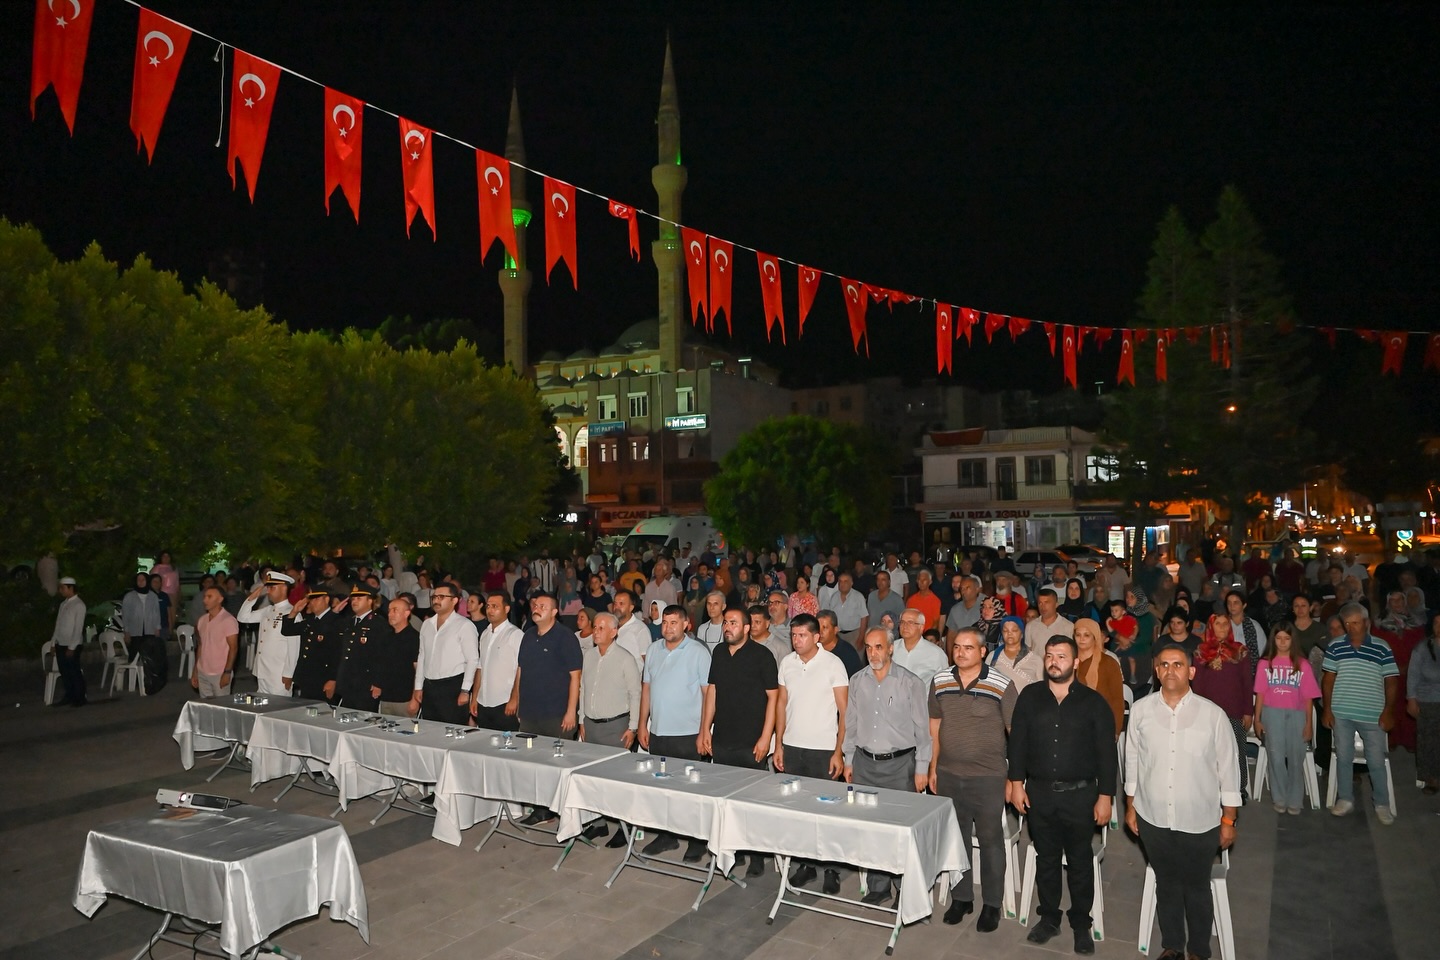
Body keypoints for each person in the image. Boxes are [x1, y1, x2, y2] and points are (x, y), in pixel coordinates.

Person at [1124, 643, 1241, 960]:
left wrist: (1228, 819)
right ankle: (1173, 946)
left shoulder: (1212, 715)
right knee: (1167, 883)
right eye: (1164, 664)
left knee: (1197, 887)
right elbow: (1133, 760)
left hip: (1200, 820)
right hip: (1153, 816)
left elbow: (1229, 770)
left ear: (1190, 671)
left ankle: (1199, 950)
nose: (1170, 670)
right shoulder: (1140, 711)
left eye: (1177, 664)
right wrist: (1131, 805)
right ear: (1156, 670)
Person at [1006, 635, 1116, 954]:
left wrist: (1106, 796)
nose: (1055, 662)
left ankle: (1081, 923)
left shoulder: (1093, 703)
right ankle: (1049, 918)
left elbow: (1107, 755)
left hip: (1080, 796)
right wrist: (1015, 782)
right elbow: (1019, 743)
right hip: (1040, 793)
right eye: (1050, 656)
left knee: (1081, 862)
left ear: (1076, 662)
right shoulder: (1030, 696)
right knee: (1047, 859)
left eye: (1062, 656)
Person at [928, 626, 1017, 931]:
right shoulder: (940, 680)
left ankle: (992, 904)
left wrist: (1013, 778)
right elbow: (935, 725)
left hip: (989, 776)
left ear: (982, 651)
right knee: (956, 838)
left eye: (969, 648)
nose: (961, 652)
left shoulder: (1001, 683)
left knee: (991, 841)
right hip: (949, 774)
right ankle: (962, 898)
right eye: (957, 647)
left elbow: (1014, 733)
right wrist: (932, 767)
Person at [843, 627, 931, 905]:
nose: (873, 653)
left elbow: (923, 730)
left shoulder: (910, 683)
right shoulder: (857, 681)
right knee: (871, 829)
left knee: (900, 828)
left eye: (878, 647)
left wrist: (922, 768)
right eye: (868, 647)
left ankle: (903, 888)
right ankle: (878, 886)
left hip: (900, 766)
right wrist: (848, 760)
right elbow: (851, 724)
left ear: (891, 648)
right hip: (865, 764)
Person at [700, 605, 779, 877]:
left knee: (752, 801)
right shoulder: (719, 653)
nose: (727, 627)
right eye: (725, 623)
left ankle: (757, 856)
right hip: (723, 738)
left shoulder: (762, 656)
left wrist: (766, 736)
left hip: (751, 740)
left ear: (747, 628)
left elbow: (773, 697)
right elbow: (712, 691)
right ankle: (733, 851)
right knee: (727, 799)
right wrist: (704, 730)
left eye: (733, 622)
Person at [774, 613, 850, 895]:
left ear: (817, 636)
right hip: (794, 746)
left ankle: (831, 868)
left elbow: (845, 711)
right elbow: (782, 704)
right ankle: (806, 864)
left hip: (823, 749)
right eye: (794, 635)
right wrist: (779, 743)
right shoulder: (787, 663)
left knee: (827, 809)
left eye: (802, 635)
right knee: (801, 809)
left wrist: (839, 751)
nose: (797, 640)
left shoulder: (833, 664)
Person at [637, 604, 713, 860]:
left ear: (686, 625)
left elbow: (707, 694)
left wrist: (704, 731)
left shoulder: (698, 652)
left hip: (688, 733)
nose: (668, 627)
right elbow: (646, 689)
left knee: (691, 789)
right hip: (659, 731)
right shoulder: (653, 650)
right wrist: (642, 724)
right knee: (663, 787)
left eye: (673, 623)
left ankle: (697, 840)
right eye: (665, 622)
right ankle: (667, 836)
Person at [1322, 602, 1400, 823]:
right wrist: (1327, 709)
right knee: (1343, 757)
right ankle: (1345, 798)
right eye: (1347, 623)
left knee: (1376, 760)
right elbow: (1328, 679)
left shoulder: (1381, 647)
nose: (1351, 627)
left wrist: (1389, 711)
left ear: (1366, 622)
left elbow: (1391, 681)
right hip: (1342, 713)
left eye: (1355, 622)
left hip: (1372, 714)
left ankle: (1382, 803)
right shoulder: (1336, 646)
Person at [1252, 621, 1321, 815]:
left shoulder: (1302, 664)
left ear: (1293, 640)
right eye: (1279, 638)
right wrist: (1258, 719)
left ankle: (1295, 799)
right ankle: (1279, 797)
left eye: (1287, 638)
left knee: (1296, 757)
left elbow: (1308, 697)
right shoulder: (1265, 663)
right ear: (1273, 640)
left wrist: (1309, 723)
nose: (1282, 642)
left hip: (1296, 714)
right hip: (1271, 712)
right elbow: (1261, 694)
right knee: (1275, 756)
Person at [1191, 614, 1255, 802]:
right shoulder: (1201, 652)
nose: (1222, 627)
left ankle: (1238, 789)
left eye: (1225, 624)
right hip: (1208, 714)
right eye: (1217, 624)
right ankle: (1209, 789)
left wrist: (1247, 711)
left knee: (1236, 751)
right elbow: (1198, 684)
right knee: (1208, 753)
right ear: (1211, 627)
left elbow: (1246, 683)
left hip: (1234, 711)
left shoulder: (1240, 651)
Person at [511, 592, 584, 739]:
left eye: (542, 606)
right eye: (535, 605)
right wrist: (517, 703)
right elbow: (521, 670)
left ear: (554, 612)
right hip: (529, 714)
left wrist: (571, 712)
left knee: (556, 759)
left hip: (556, 715)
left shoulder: (566, 637)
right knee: (529, 758)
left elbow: (575, 677)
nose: (536, 609)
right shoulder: (528, 635)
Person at [409, 582, 479, 724]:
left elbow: (472, 660)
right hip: (429, 687)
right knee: (431, 731)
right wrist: (418, 687)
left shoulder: (464, 625)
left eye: (441, 597)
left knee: (453, 733)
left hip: (453, 687)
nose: (436, 600)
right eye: (434, 597)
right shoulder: (427, 625)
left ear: (455, 600)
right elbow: (422, 656)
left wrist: (465, 690)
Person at [469, 591, 523, 733]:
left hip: (504, 702)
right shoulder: (485, 634)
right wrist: (474, 697)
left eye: (495, 606)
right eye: (488, 606)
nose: (490, 610)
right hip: (484, 701)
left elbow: (521, 668)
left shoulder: (515, 634)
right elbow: (480, 667)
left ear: (506, 609)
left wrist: (514, 699)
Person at [238, 571, 296, 696]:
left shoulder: (291, 612)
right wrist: (251, 599)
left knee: (279, 711)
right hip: (263, 671)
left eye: (272, 587)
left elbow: (294, 647)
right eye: (268, 587)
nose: (268, 591)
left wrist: (288, 674)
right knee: (263, 709)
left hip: (278, 674)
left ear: (284, 588)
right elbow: (243, 617)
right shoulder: (268, 610)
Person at [332, 582, 382, 710]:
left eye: (359, 598)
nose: (354, 601)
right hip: (347, 681)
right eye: (353, 598)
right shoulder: (349, 621)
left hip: (366, 684)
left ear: (370, 601)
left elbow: (382, 656)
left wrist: (378, 683)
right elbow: (328, 630)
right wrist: (334, 612)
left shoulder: (378, 623)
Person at [370, 593, 420, 717]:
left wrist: (415, 699)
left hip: (405, 699)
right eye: (389, 611)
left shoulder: (414, 638)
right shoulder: (387, 636)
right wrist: (378, 684)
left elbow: (418, 670)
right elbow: (382, 664)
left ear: (406, 613)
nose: (390, 614)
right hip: (386, 697)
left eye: (395, 610)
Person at [1073, 618, 1125, 737]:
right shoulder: (1068, 661)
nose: (1081, 639)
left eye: (1086, 635)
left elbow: (1117, 700)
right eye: (1078, 635)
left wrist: (1116, 729)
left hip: (1102, 724)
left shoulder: (1109, 663)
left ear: (1095, 637)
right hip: (1073, 724)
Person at [1408, 613, 1440, 794]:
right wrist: (1411, 699)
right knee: (1429, 741)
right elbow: (1413, 675)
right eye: (1436, 623)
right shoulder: (1423, 648)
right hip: (1428, 700)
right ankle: (1431, 778)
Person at [191, 586, 239, 697]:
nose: (205, 600)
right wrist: (196, 670)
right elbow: (201, 646)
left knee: (221, 708)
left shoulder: (228, 620)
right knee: (207, 707)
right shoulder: (202, 620)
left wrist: (227, 672)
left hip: (219, 671)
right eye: (204, 597)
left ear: (220, 599)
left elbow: (233, 648)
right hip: (203, 670)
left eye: (209, 597)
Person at [51, 576, 87, 706]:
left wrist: (72, 647)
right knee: (64, 672)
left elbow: (78, 628)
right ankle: (69, 695)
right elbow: (58, 624)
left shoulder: (79, 605)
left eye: (63, 588)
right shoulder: (63, 604)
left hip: (73, 644)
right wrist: (53, 641)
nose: (61, 590)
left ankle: (80, 697)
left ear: (70, 588)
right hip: (61, 642)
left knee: (74, 671)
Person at [891, 608, 949, 686]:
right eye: (902, 622)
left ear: (921, 627)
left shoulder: (936, 653)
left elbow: (944, 683)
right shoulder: (890, 648)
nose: (905, 626)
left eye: (910, 622)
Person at [986, 614, 1042, 689]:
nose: (1009, 633)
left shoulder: (1035, 659)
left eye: (1014, 630)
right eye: (1005, 630)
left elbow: (1042, 689)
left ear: (1022, 634)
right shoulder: (992, 657)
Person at [120, 572, 163, 658]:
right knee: (134, 654)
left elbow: (156, 613)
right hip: (134, 631)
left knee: (149, 655)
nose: (140, 582)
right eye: (138, 580)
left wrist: (157, 628)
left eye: (143, 580)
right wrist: (126, 631)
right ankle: (134, 671)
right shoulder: (129, 596)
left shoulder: (153, 596)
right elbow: (126, 614)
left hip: (149, 630)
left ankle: (147, 671)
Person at [817, 610, 864, 676]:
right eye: (818, 627)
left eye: (824, 628)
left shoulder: (848, 653)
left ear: (835, 630)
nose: (820, 632)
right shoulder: (812, 649)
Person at [611, 588, 650, 667]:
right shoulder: (610, 626)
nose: (616, 607)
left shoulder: (640, 629)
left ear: (631, 607)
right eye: (615, 603)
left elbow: (647, 660)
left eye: (621, 604)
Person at [831, 572, 869, 649]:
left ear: (851, 583)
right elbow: (831, 617)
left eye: (845, 581)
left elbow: (864, 618)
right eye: (840, 581)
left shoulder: (858, 597)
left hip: (854, 635)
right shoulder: (834, 597)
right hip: (838, 635)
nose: (842, 584)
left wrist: (861, 638)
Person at [867, 571, 905, 637]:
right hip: (872, 634)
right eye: (878, 579)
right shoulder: (871, 596)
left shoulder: (897, 599)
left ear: (889, 582)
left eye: (883, 580)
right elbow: (868, 615)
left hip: (889, 636)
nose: (880, 582)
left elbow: (902, 619)